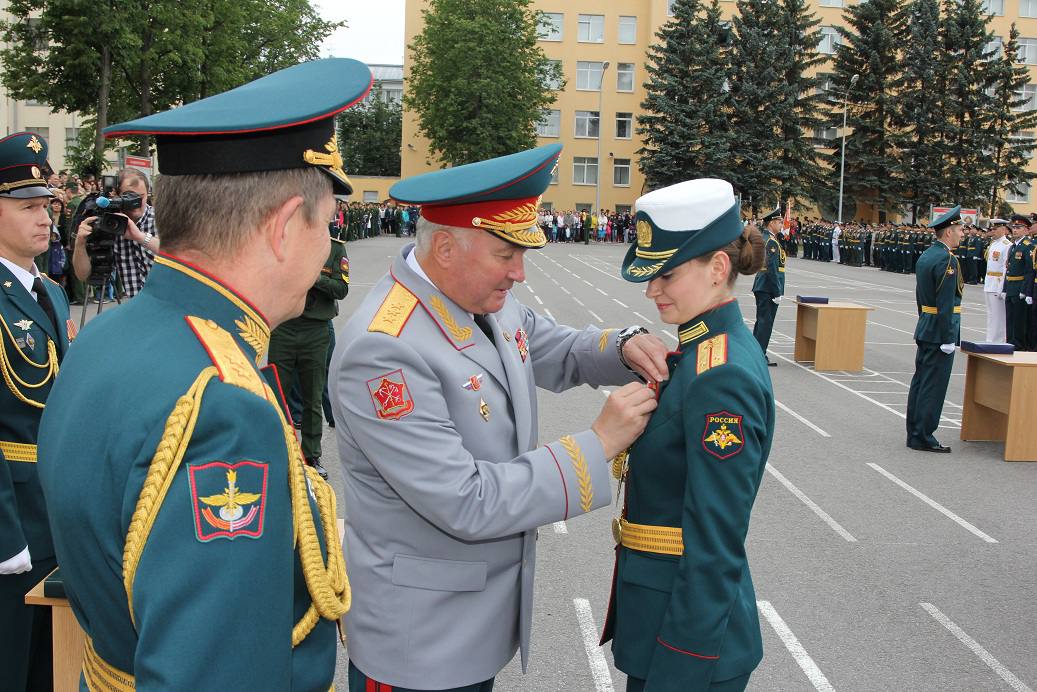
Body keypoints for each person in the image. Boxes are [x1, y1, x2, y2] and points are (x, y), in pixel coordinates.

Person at [37, 58, 370, 689]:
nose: (329, 245)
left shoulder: (110, 331)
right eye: (326, 224)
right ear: (282, 227)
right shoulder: (224, 405)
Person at [330, 143, 668, 692]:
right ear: (444, 247)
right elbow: (465, 500)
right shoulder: (384, 349)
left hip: (470, 620)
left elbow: (550, 345)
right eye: (506, 254)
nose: (520, 273)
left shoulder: (479, 296)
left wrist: (623, 345)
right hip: (420, 642)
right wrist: (598, 444)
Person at [601, 178, 775, 692]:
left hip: (688, 646)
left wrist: (681, 666)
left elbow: (715, 541)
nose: (652, 289)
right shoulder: (701, 353)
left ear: (717, 268)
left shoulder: (722, 374)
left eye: (666, 274)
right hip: (660, 618)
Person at [0, 131, 73, 692]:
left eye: (46, 205)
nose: (45, 218)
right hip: (13, 517)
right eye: (27, 207)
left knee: (51, 661)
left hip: (53, 506)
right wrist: (4, 537)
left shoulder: (47, 290)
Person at [269, 227, 349, 480]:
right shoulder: (282, 240)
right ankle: (276, 450)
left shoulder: (334, 248)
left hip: (315, 331)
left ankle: (311, 455)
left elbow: (341, 288)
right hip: (283, 326)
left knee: (312, 396)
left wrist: (315, 277)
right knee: (275, 394)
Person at [906, 206, 964, 453]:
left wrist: (926, 321)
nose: (963, 234)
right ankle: (924, 435)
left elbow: (922, 297)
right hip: (940, 330)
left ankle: (915, 431)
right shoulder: (947, 259)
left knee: (921, 381)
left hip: (926, 325)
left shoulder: (928, 255)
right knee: (933, 385)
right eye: (960, 230)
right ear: (949, 231)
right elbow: (946, 302)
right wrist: (949, 337)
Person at [71, 168, 159, 298]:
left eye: (141, 197)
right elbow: (83, 275)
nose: (136, 203)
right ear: (116, 195)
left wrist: (140, 237)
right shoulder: (108, 224)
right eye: (129, 196)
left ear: (148, 193)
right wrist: (80, 244)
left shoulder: (162, 219)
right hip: (135, 308)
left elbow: (181, 254)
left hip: (170, 306)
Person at [751, 207, 785, 367]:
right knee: (765, 323)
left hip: (764, 286)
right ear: (771, 223)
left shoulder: (768, 238)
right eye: (779, 222)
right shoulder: (770, 241)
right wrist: (777, 291)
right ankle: (759, 356)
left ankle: (756, 353)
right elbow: (771, 268)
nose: (781, 224)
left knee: (762, 322)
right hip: (768, 287)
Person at [1004, 215, 1033, 350]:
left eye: (1019, 228)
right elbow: (1008, 269)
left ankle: (1018, 346)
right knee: (1010, 319)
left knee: (1019, 320)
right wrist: (1005, 288)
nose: (1015, 230)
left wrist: (1025, 291)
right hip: (1010, 287)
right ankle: (1010, 342)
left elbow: (1029, 271)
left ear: (1027, 230)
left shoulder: (1028, 246)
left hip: (1019, 288)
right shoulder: (1014, 246)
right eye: (1014, 227)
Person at [983, 219, 1013, 343]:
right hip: (989, 282)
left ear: (1003, 229)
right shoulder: (993, 244)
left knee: (998, 315)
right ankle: (990, 339)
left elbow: (1005, 268)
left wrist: (1002, 287)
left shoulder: (1007, 245)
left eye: (995, 229)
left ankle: (998, 340)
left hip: (997, 283)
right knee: (991, 314)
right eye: (992, 229)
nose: (992, 231)